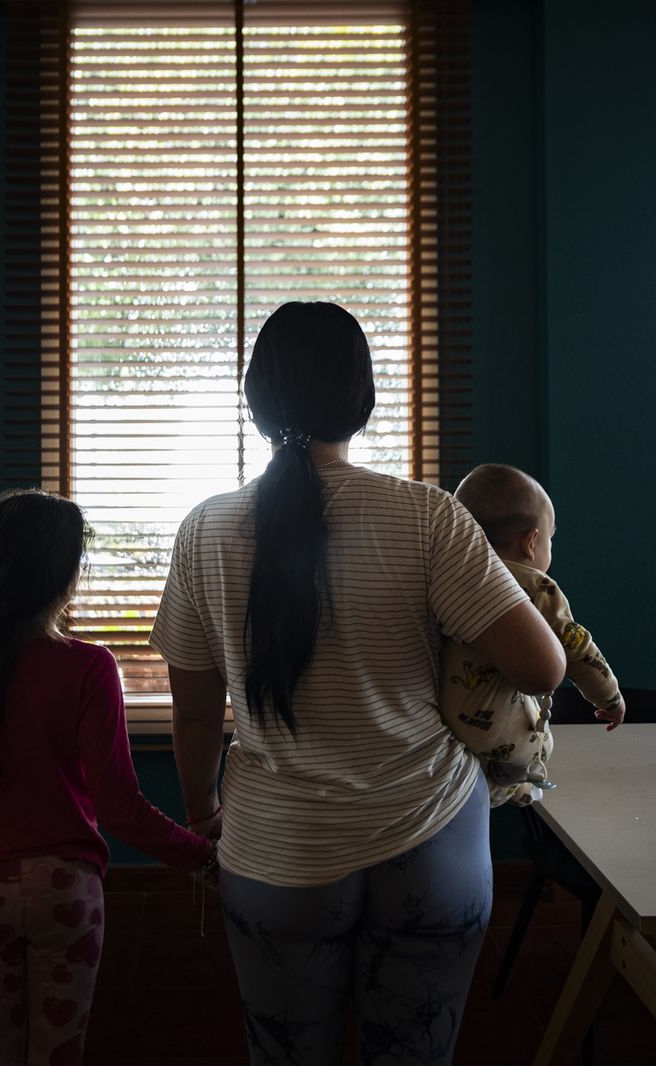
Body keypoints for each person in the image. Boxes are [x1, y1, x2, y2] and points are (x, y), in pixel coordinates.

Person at [152, 302, 567, 1066]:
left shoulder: (205, 528)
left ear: (257, 398)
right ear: (362, 398)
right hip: (429, 840)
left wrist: (202, 809)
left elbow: (195, 715)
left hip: (277, 848)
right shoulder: (427, 516)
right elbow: (543, 666)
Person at [0, 489, 215, 1066]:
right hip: (65, 891)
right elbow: (119, 807)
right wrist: (203, 858)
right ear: (67, 578)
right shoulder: (90, 667)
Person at [440, 463, 627, 807]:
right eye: (550, 539)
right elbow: (577, 646)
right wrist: (609, 697)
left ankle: (502, 788)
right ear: (531, 542)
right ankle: (520, 786)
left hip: (446, 726)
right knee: (537, 742)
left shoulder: (449, 579)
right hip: (498, 735)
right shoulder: (534, 586)